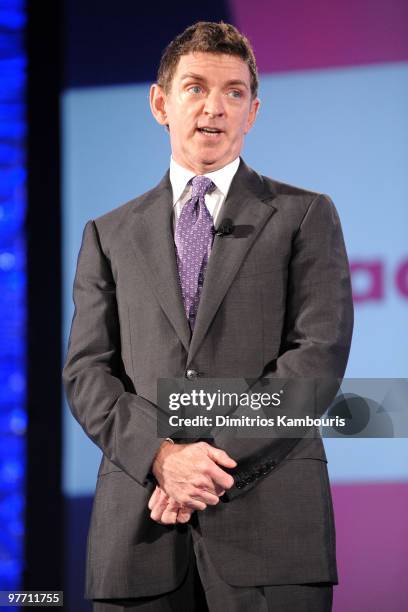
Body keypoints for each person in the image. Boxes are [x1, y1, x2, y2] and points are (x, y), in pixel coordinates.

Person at [63, 21, 353, 612]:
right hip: (139, 530)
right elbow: (88, 373)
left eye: (234, 92)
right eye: (195, 87)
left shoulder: (304, 215)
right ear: (159, 102)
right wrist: (163, 458)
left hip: (270, 528)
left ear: (253, 111)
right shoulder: (108, 233)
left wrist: (204, 463)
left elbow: (315, 360)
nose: (214, 108)